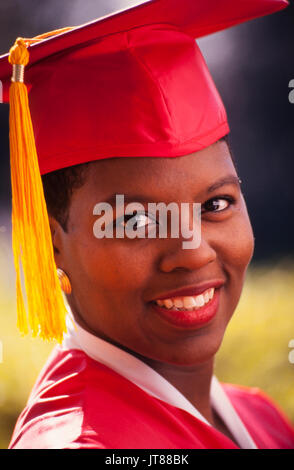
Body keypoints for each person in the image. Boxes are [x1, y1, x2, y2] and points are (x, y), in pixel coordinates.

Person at [0, 0, 293, 449]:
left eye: (216, 203)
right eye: (135, 220)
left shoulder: (263, 420)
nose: (193, 250)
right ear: (49, 243)